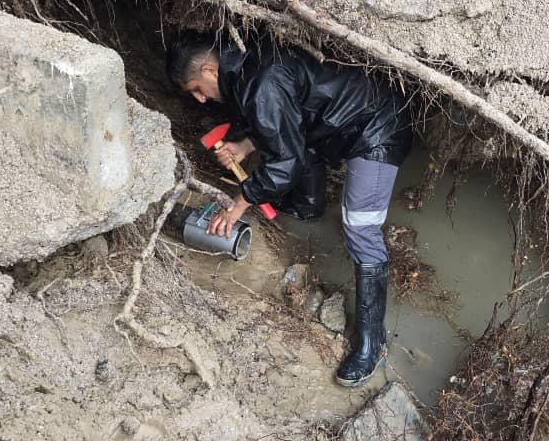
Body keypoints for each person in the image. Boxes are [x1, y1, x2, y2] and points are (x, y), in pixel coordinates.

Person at [166, 33, 412, 387]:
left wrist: (239, 204)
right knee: (293, 157)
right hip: (345, 114)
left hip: (378, 126)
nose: (200, 99)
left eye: (196, 89)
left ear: (208, 69)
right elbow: (286, 116)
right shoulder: (248, 61)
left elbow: (285, 163)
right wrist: (244, 145)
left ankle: (372, 343)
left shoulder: (259, 82)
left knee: (360, 227)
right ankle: (309, 209)